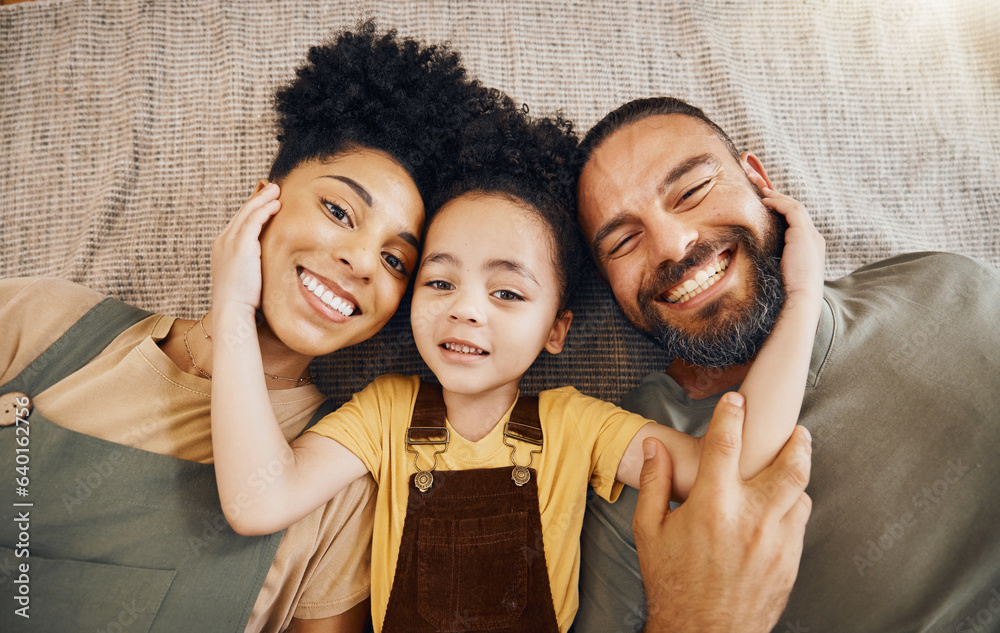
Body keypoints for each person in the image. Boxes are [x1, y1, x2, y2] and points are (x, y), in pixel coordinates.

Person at [209, 93, 823, 633]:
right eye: (440, 282)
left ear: (557, 330)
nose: (467, 312)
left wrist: (801, 301)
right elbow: (257, 501)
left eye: (507, 293)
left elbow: (739, 461)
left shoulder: (576, 426)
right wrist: (235, 306)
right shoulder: (382, 415)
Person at [0, 22, 500, 632]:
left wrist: (234, 311)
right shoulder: (40, 320)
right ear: (264, 200)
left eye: (397, 260)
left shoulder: (336, 486)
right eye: (339, 210)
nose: (362, 262)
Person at [573, 97, 1000, 632]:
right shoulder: (634, 464)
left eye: (691, 191)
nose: (672, 245)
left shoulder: (947, 287)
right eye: (623, 241)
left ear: (759, 181)